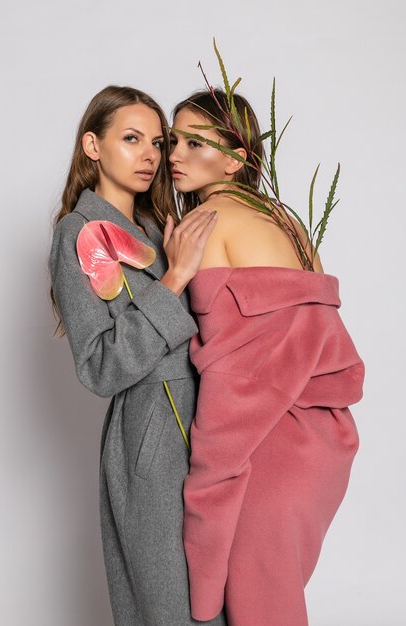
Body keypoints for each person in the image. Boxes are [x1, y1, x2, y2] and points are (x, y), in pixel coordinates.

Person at [170, 89, 365, 626]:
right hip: (323, 443)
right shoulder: (289, 220)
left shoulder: (207, 224)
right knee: (276, 604)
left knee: (258, 611)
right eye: (173, 141)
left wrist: (208, 480)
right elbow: (315, 333)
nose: (174, 155)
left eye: (193, 143)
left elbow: (237, 377)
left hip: (269, 449)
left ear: (235, 158)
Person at [49, 85, 227, 626]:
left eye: (158, 141)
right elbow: (100, 366)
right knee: (174, 606)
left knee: (223, 594)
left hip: (213, 420)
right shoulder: (77, 234)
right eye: (131, 139)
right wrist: (173, 280)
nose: (151, 155)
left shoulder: (160, 226)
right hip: (150, 433)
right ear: (93, 145)